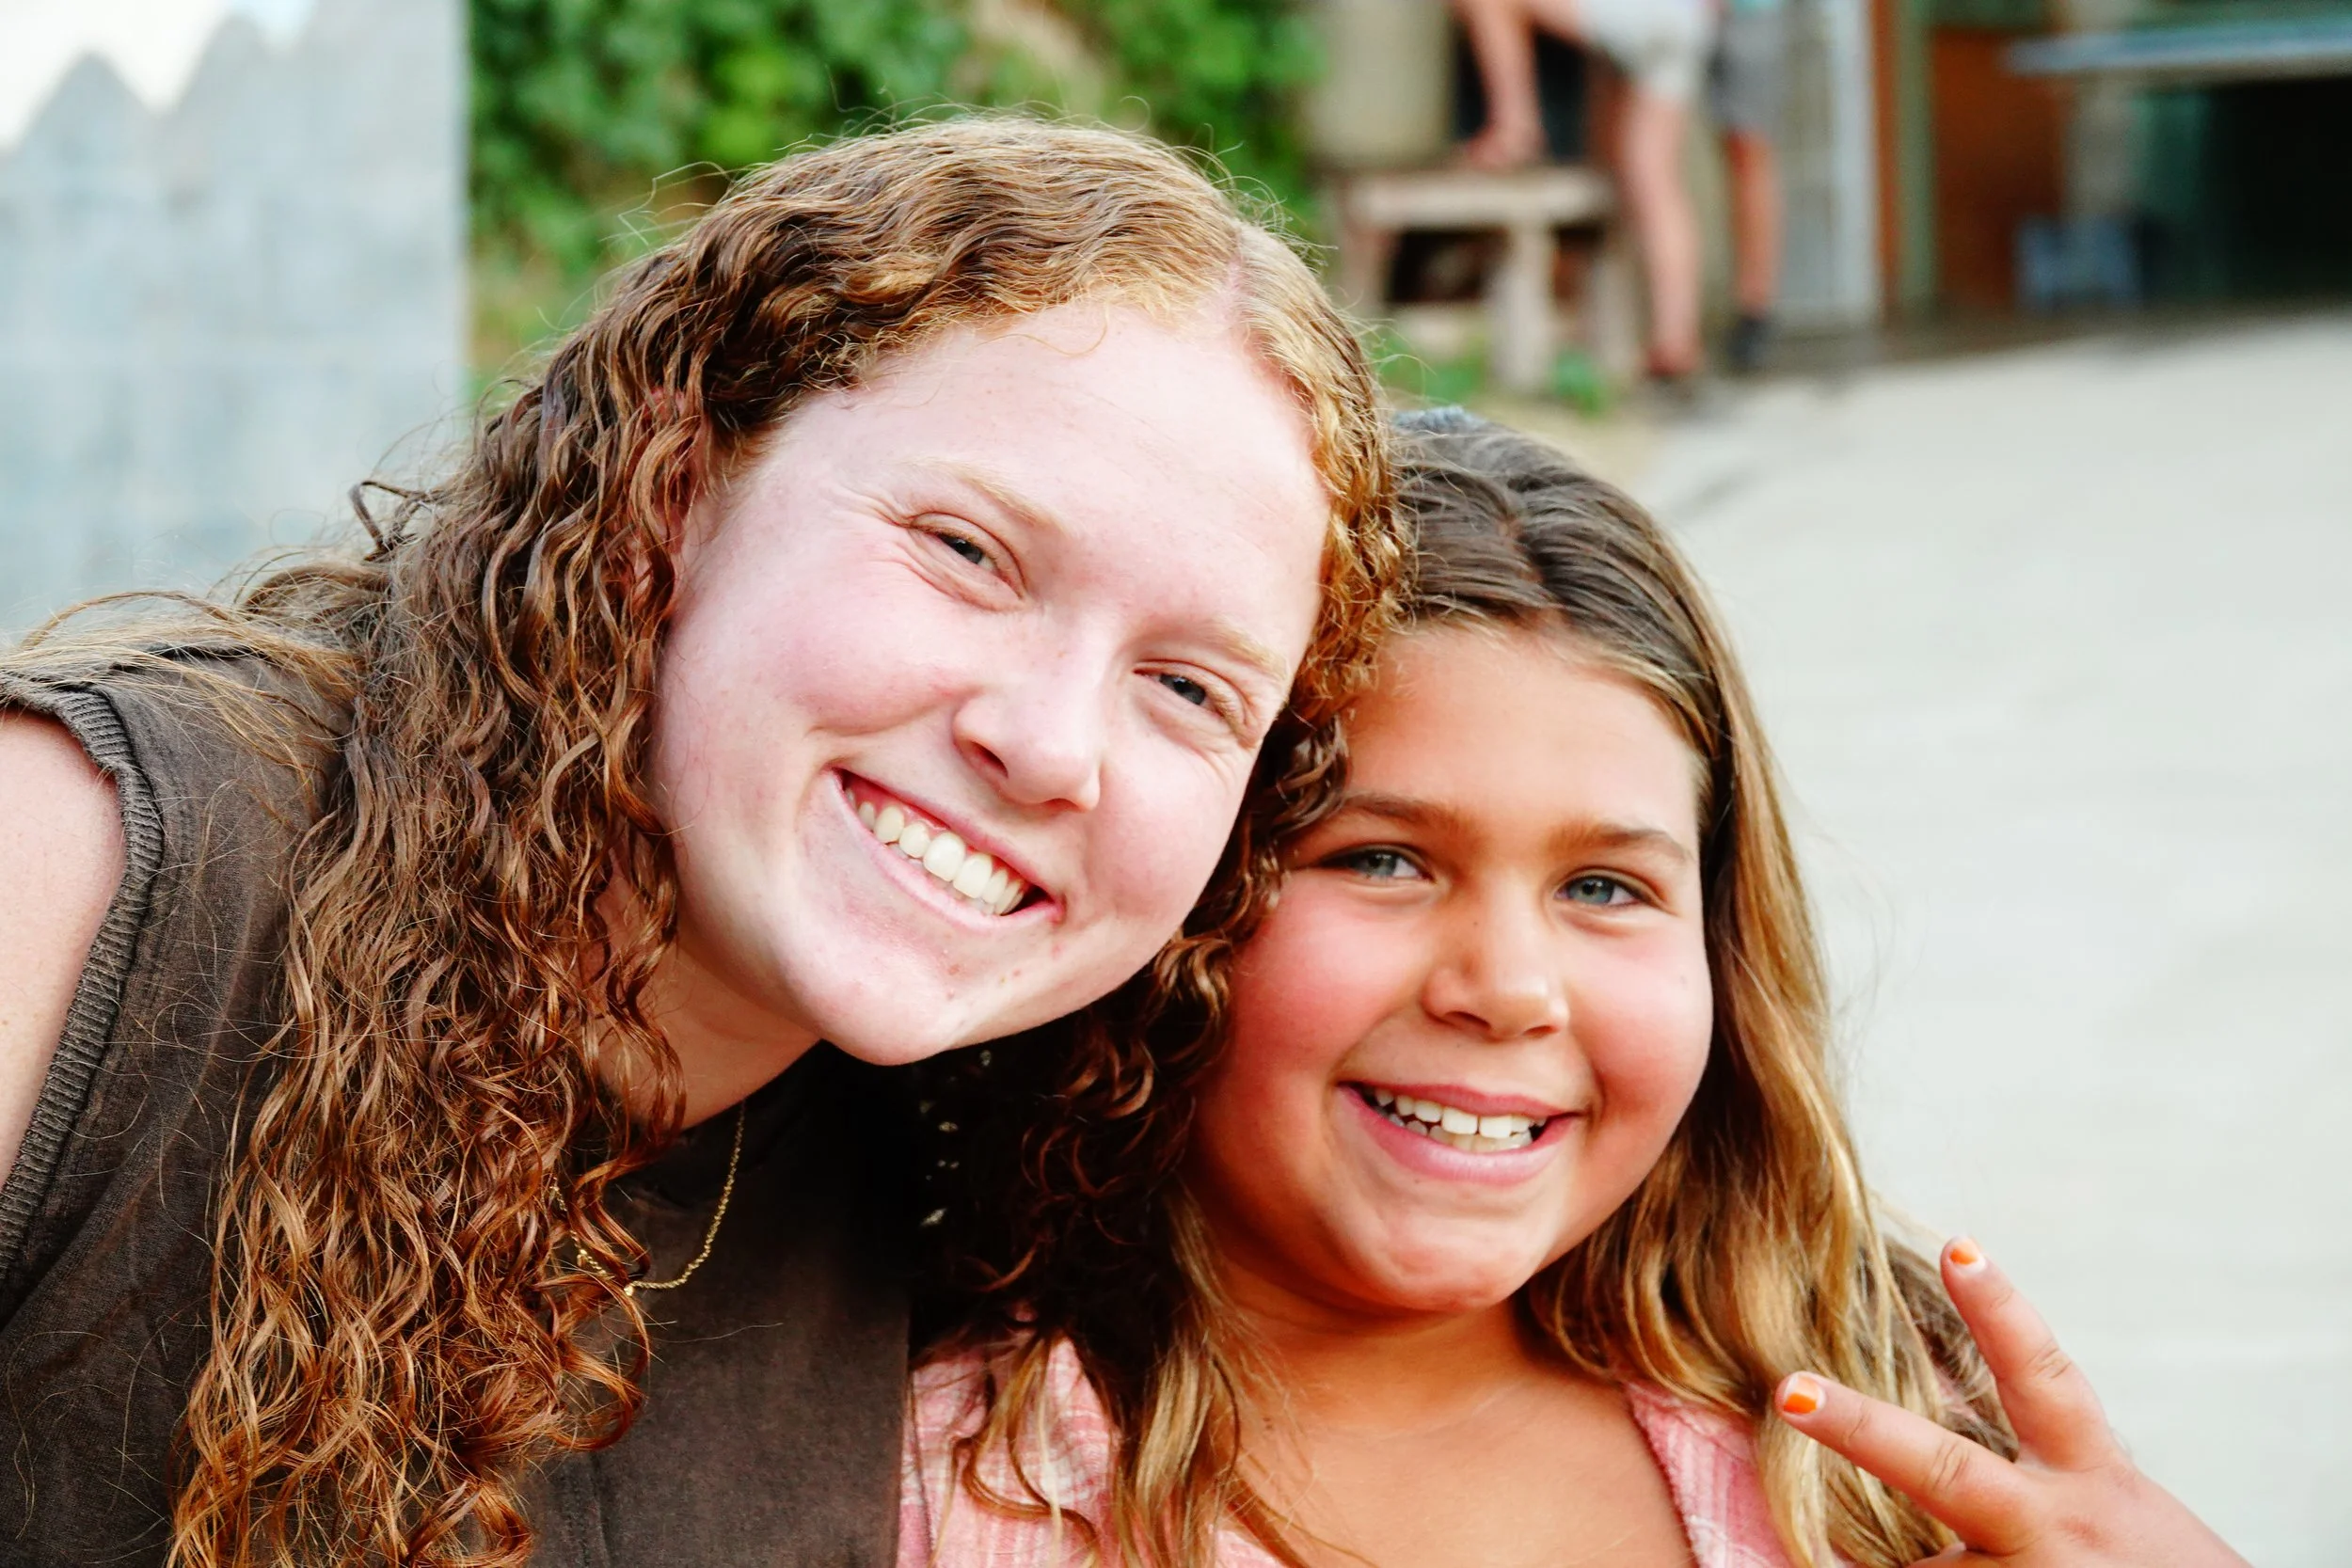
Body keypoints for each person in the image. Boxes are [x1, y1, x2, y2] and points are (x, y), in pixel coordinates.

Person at [0, 119, 1407, 1566]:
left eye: (1188, 688)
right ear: (672, 495)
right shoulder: (86, 866)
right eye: (967, 551)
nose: (1051, 745)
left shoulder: (965, 1168)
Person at [901, 412, 2249, 1568]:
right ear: (1184, 896)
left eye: (1605, 886)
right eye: (1382, 858)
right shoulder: (939, 1485)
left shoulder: (1881, 1439)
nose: (1509, 988)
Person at [1455, 0, 1712, 380]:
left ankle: (1514, 127)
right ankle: (1676, 338)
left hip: (1642, 16)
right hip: (1686, 19)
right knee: (1653, 176)